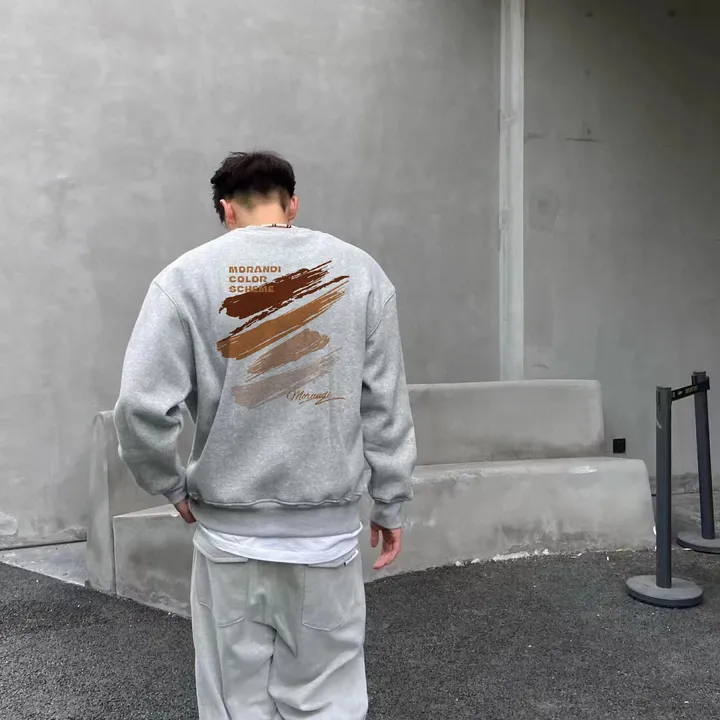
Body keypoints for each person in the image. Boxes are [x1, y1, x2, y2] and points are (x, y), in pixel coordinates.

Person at [114, 150, 417, 719]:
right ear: (292, 204)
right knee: (328, 698)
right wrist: (391, 501)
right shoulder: (361, 273)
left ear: (226, 210)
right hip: (326, 538)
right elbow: (386, 404)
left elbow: (138, 405)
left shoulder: (185, 279)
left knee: (235, 702)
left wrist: (169, 484)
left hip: (230, 539)